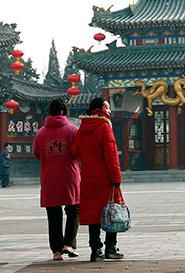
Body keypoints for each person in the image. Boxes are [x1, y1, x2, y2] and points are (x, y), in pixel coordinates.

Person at [72, 97, 124, 262]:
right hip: (105, 178)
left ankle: (96, 250)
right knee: (111, 211)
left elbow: (74, 152)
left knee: (94, 215)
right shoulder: (104, 127)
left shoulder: (82, 129)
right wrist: (116, 178)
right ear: (99, 109)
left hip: (87, 177)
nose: (109, 110)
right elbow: (111, 155)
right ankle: (110, 247)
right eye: (107, 107)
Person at [33, 99, 80, 261]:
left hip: (49, 176)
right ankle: (69, 243)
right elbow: (78, 153)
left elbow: (38, 154)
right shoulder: (73, 130)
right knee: (73, 209)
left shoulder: (41, 133)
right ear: (62, 111)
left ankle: (57, 251)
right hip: (70, 175)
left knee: (53, 214)